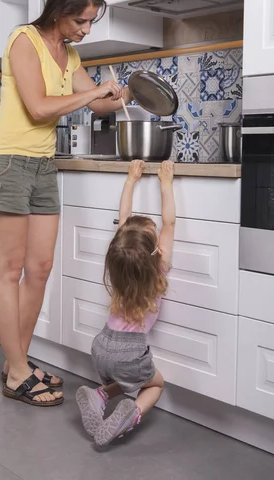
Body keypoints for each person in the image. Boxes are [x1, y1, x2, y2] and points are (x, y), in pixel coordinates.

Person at [0, 0, 132, 407]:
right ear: (60, 11)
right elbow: (40, 106)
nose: (86, 29)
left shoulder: (70, 54)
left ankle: (17, 364)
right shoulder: (24, 41)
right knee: (10, 270)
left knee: (40, 268)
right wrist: (93, 93)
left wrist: (117, 91)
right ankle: (18, 373)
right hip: (8, 162)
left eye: (90, 22)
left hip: (43, 166)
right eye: (81, 21)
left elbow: (97, 101)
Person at [76, 159, 176, 446]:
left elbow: (124, 220)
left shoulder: (119, 265)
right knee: (154, 383)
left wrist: (131, 180)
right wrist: (165, 184)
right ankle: (132, 414)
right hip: (131, 352)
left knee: (128, 377)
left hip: (101, 346)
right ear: (156, 250)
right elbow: (169, 222)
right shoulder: (158, 268)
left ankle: (100, 394)